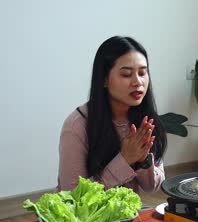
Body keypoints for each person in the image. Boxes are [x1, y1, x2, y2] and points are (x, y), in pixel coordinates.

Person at [57, 36, 167, 194]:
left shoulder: (145, 120)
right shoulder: (77, 125)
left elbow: (153, 187)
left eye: (142, 73)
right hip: (83, 218)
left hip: (127, 216)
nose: (138, 82)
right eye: (126, 74)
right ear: (104, 80)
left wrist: (143, 160)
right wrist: (125, 160)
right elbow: (72, 195)